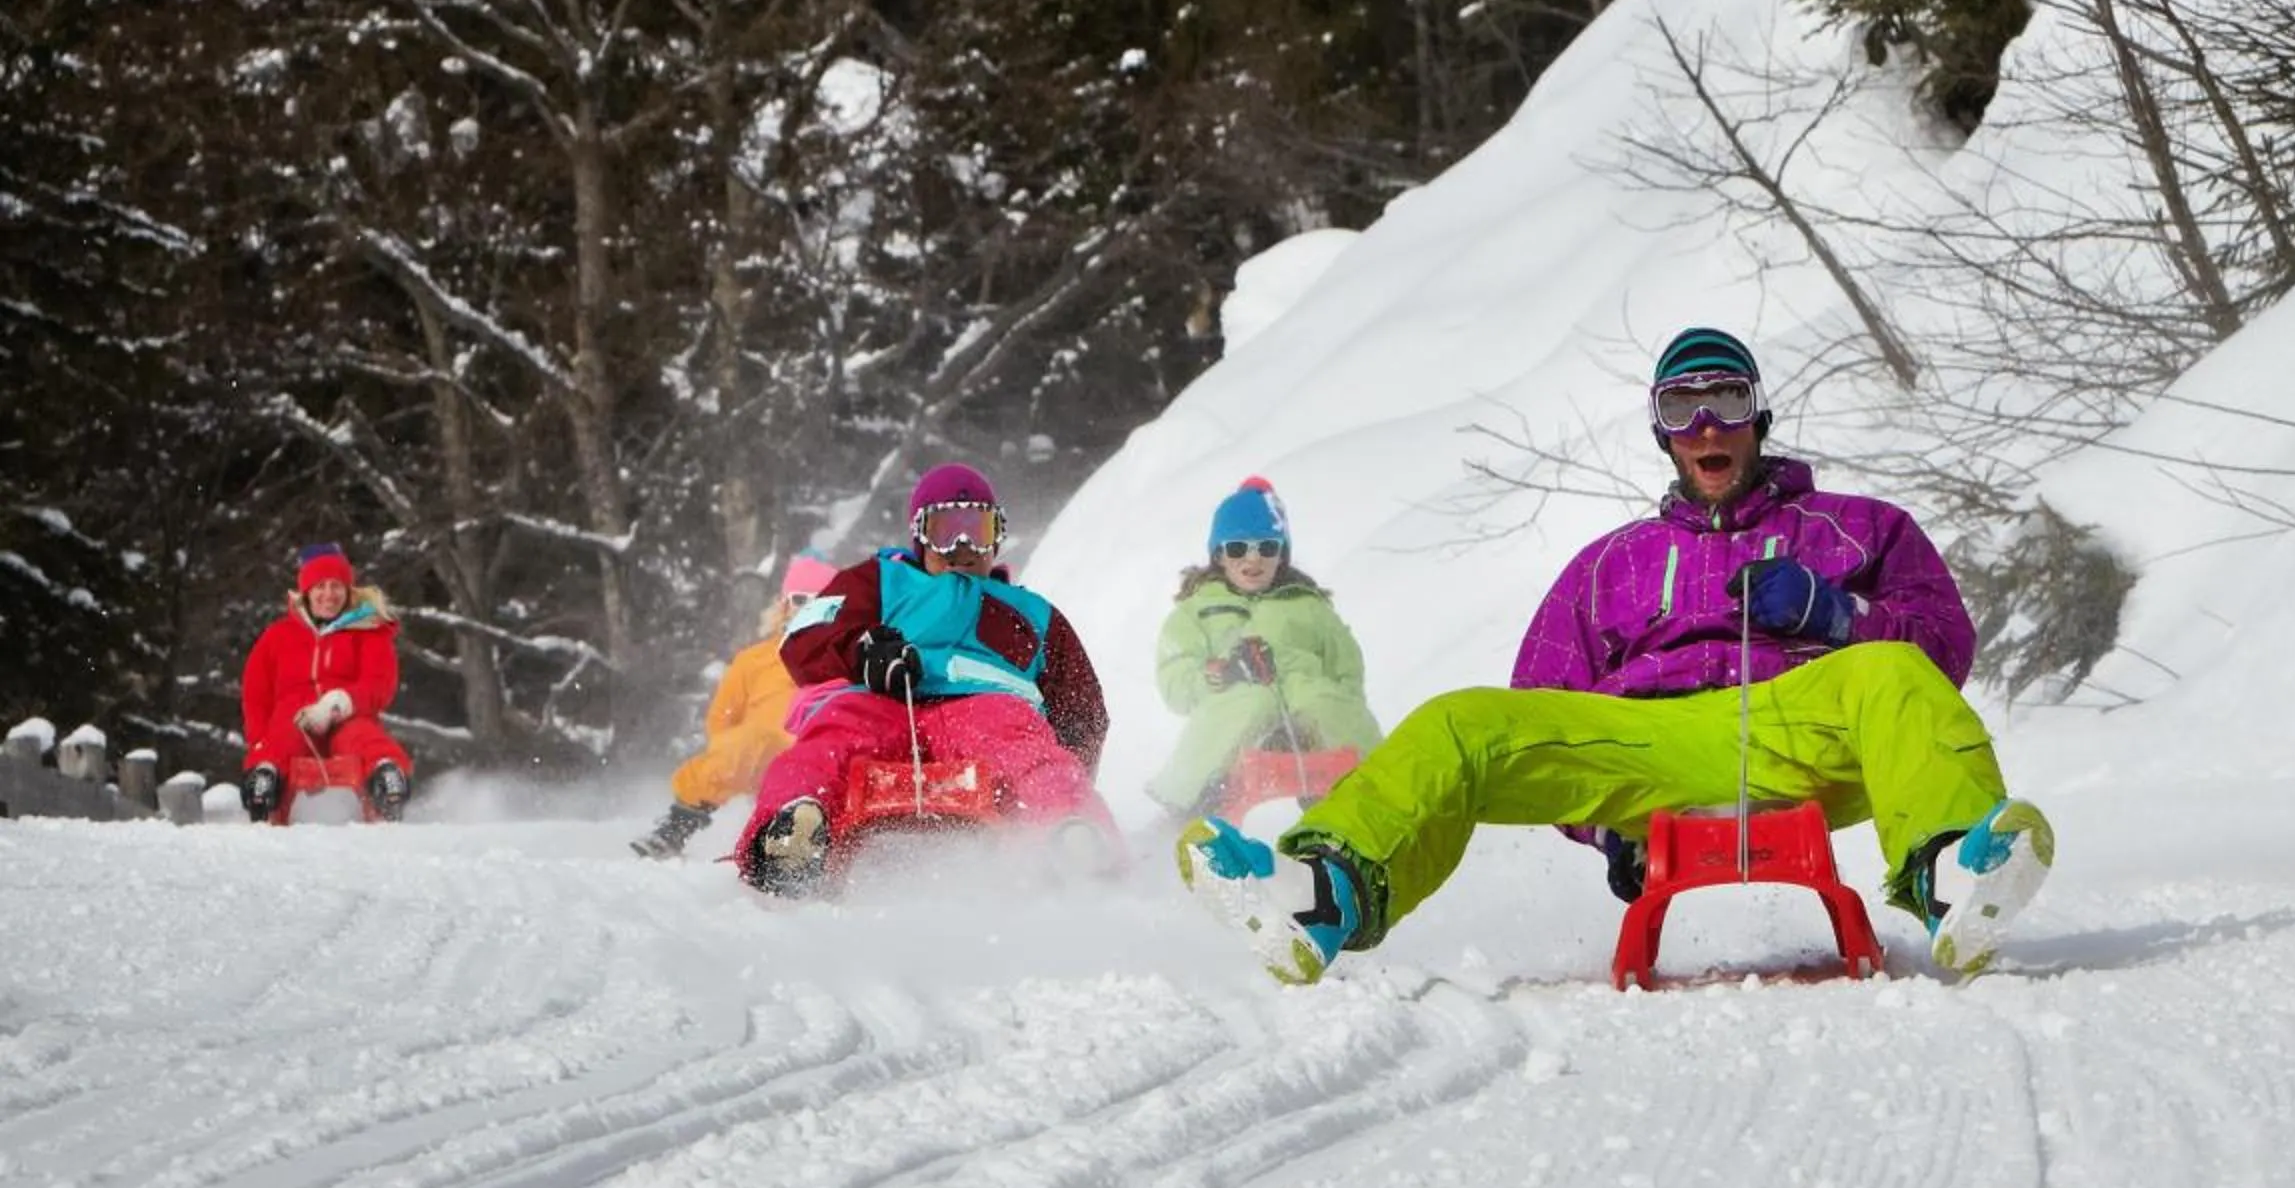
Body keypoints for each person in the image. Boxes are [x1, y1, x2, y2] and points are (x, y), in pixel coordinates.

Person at [1177, 326, 2054, 982]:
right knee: (1464, 722)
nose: (1707, 424)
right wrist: (1606, 833)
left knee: (1890, 671)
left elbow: (1941, 646)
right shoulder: (1611, 565)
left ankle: (1952, 873)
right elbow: (1543, 705)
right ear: (1662, 433)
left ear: (1759, 417)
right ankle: (1321, 892)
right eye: (1682, 408)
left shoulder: (1858, 527)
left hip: (1805, 727)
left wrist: (1837, 615)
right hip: (1644, 746)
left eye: (1727, 403)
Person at [733, 463, 1113, 893]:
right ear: (919, 535)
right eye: (947, 530)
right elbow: (805, 636)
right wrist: (863, 650)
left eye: (980, 530)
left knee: (1026, 749)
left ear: (998, 535)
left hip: (987, 710)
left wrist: (1070, 769)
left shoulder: (1031, 613)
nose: (964, 547)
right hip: (886, 698)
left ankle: (1071, 832)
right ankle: (792, 831)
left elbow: (1081, 707)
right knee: (833, 737)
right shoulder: (879, 580)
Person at [1145, 478, 1384, 818]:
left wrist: (1340, 699)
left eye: (1267, 548)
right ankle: (1192, 804)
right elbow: (1175, 680)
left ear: (1281, 554)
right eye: (1239, 548)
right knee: (1249, 699)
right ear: (1220, 555)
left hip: (1306, 720)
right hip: (1237, 725)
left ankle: (1376, 795)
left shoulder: (1308, 606)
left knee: (1323, 699)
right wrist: (1215, 675)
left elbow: (1346, 667)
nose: (1253, 559)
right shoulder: (1200, 609)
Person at [632, 553, 839, 859]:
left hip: (821, 758)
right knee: (749, 744)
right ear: (783, 606)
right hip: (764, 756)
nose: (807, 609)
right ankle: (676, 828)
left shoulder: (845, 658)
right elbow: (722, 719)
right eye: (798, 599)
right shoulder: (754, 661)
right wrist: (735, 753)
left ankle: (814, 846)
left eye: (818, 600)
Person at [239, 542, 415, 823]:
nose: (328, 595)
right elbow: (256, 694)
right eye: (320, 587)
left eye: (336, 586)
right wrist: (259, 743)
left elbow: (379, 684)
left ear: (348, 591)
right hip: (295, 718)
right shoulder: (278, 636)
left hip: (347, 716)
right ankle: (266, 779)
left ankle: (385, 777)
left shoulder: (368, 632)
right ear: (307, 592)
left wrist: (338, 703)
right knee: (283, 737)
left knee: (363, 736)